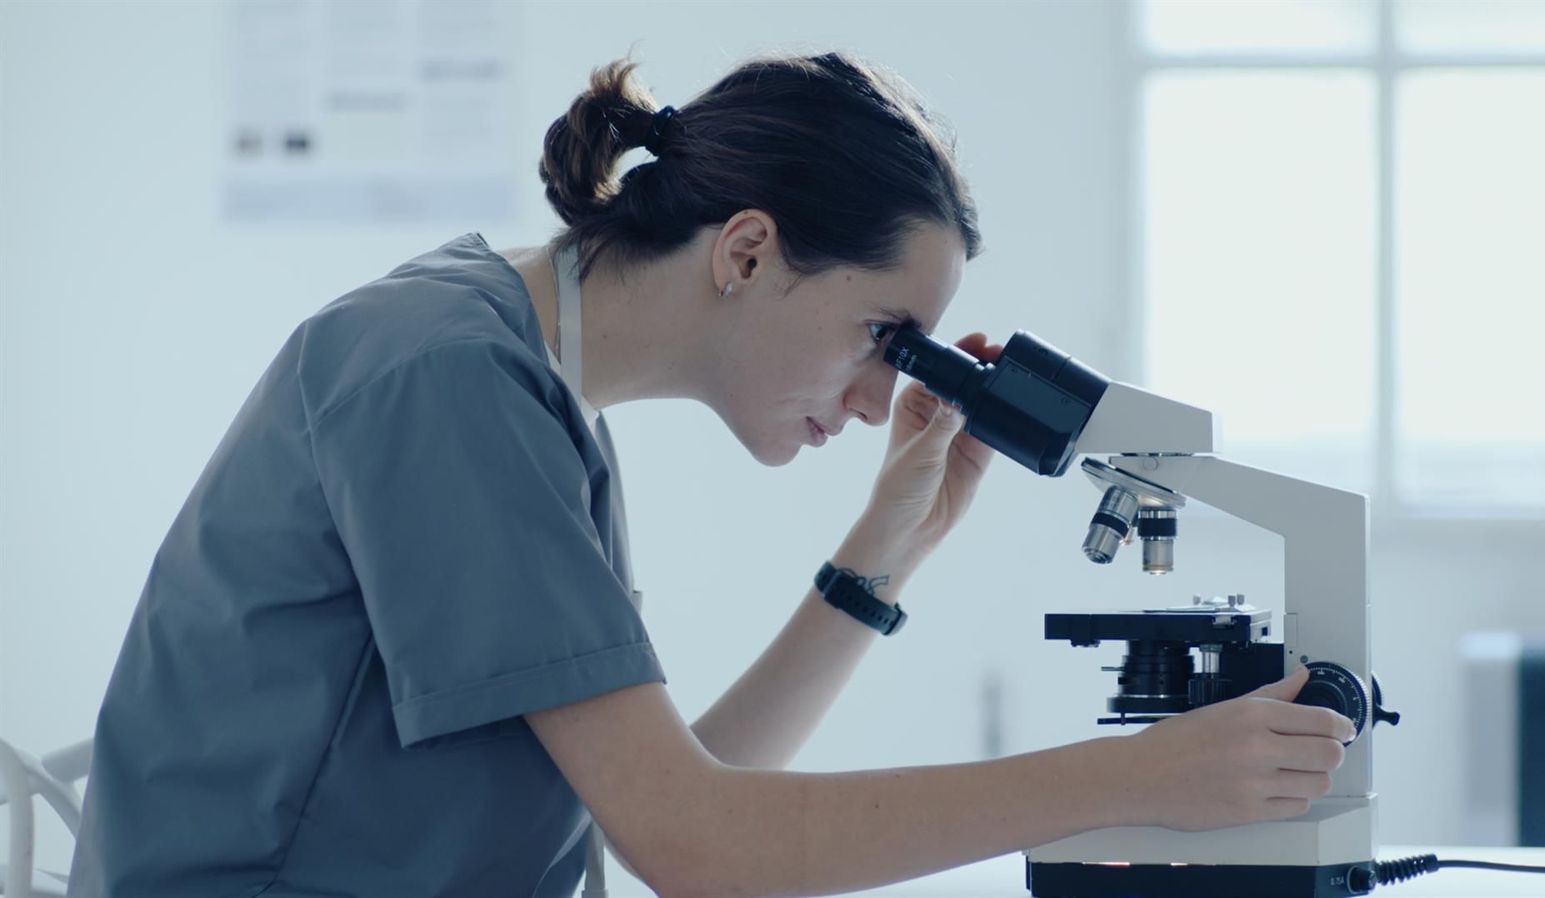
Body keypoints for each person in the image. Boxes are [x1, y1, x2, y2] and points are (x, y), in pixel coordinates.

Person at [67, 52, 1354, 898]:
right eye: (880, 337)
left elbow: (670, 796)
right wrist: (1139, 774)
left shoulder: (518, 381)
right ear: (745, 251)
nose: (877, 395)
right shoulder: (440, 379)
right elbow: (692, 847)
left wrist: (884, 552)